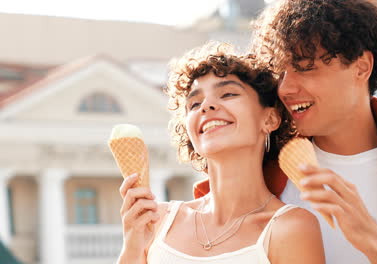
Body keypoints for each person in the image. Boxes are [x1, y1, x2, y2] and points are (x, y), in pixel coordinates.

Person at [194, 0, 377, 263]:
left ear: (361, 68)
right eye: (281, 72)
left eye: (305, 68)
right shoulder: (259, 171)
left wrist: (372, 238)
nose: (285, 88)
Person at [117, 43, 325, 264]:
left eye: (227, 94)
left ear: (270, 119)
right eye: (195, 104)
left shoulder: (290, 227)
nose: (206, 106)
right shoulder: (156, 222)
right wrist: (132, 247)